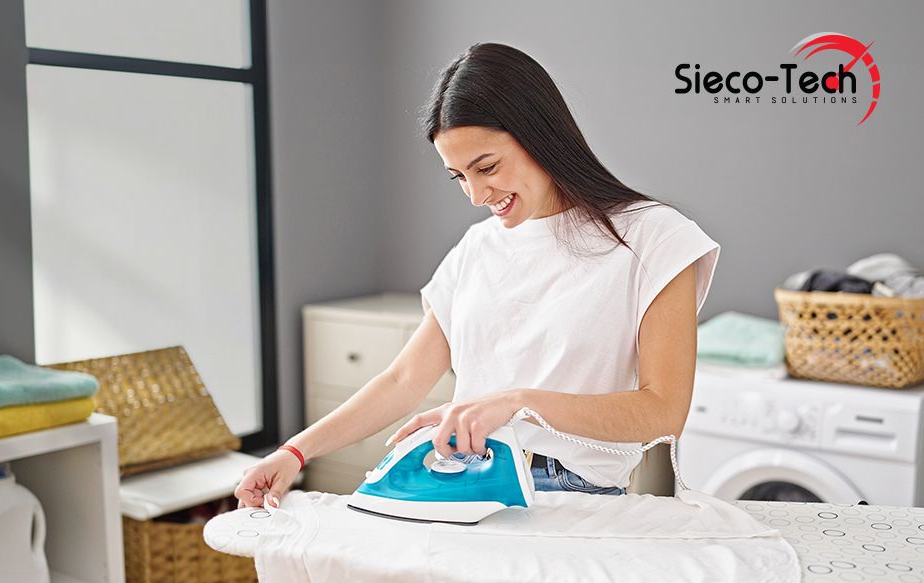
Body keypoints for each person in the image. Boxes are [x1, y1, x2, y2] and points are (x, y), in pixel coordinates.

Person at [235, 42, 719, 509]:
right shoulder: (477, 249)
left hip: (575, 497)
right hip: (462, 484)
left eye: (486, 166)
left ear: (540, 135)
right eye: (459, 176)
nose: (475, 194)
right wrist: (294, 451)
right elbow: (404, 379)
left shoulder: (653, 238)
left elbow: (663, 412)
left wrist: (515, 404)